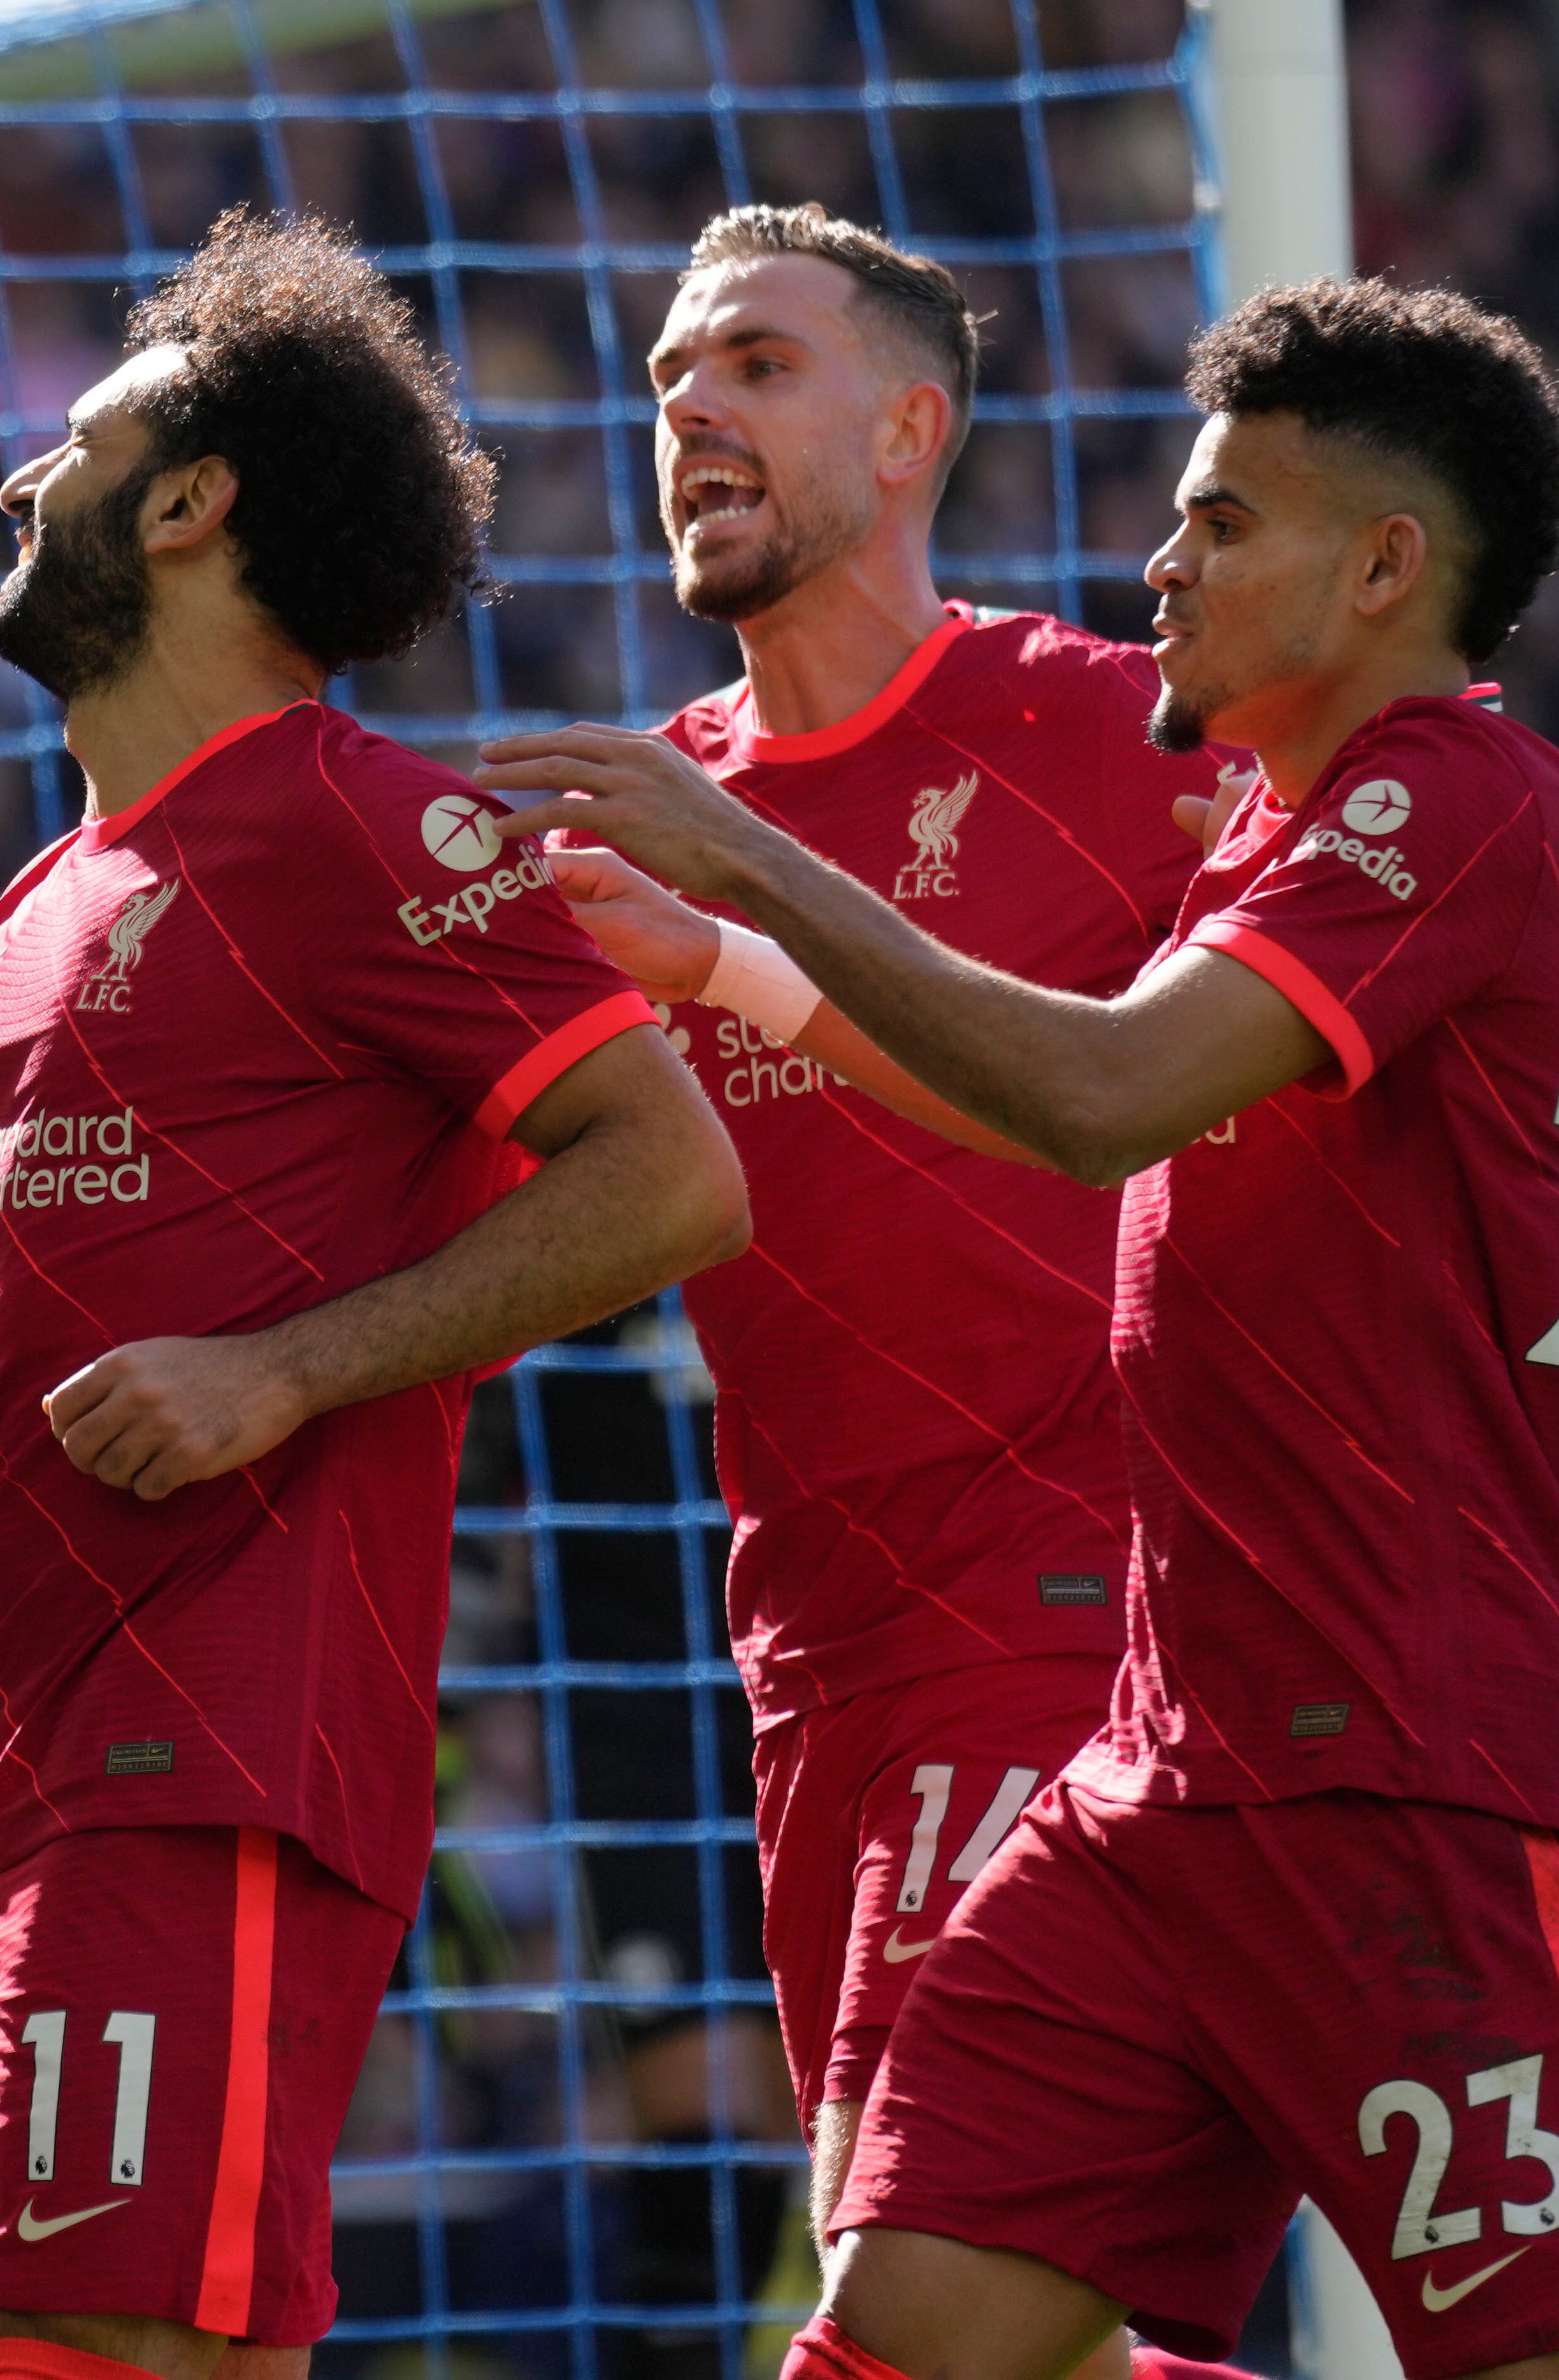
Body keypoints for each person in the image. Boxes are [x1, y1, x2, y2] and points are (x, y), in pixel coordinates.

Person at [478, 277, 1559, 2380]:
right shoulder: (1275, 848)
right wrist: (735, 971)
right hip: (1156, 1772)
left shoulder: (1456, 802)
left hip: (1410, 1761)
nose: (1160, 565)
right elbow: (1060, 1107)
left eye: (1221, 527)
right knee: (898, 2330)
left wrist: (750, 869)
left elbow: (1099, 1090)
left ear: (1385, 565)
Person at [0, 210, 748, 2380]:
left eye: (65, 447)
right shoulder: (28, 911)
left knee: (83, 2344)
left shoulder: (362, 822)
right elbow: (23, 1355)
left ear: (187, 503)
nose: (14, 483)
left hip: (213, 1756)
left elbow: (676, 1175)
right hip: (29, 1771)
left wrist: (284, 1371)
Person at [524, 203, 1246, 2379]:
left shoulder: (1121, 736)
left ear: (911, 426)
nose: (687, 408)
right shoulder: (635, 825)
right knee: (1023, 2323)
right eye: (667, 376)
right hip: (813, 1667)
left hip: (1073, 1620)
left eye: (752, 363)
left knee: (904, 2315)